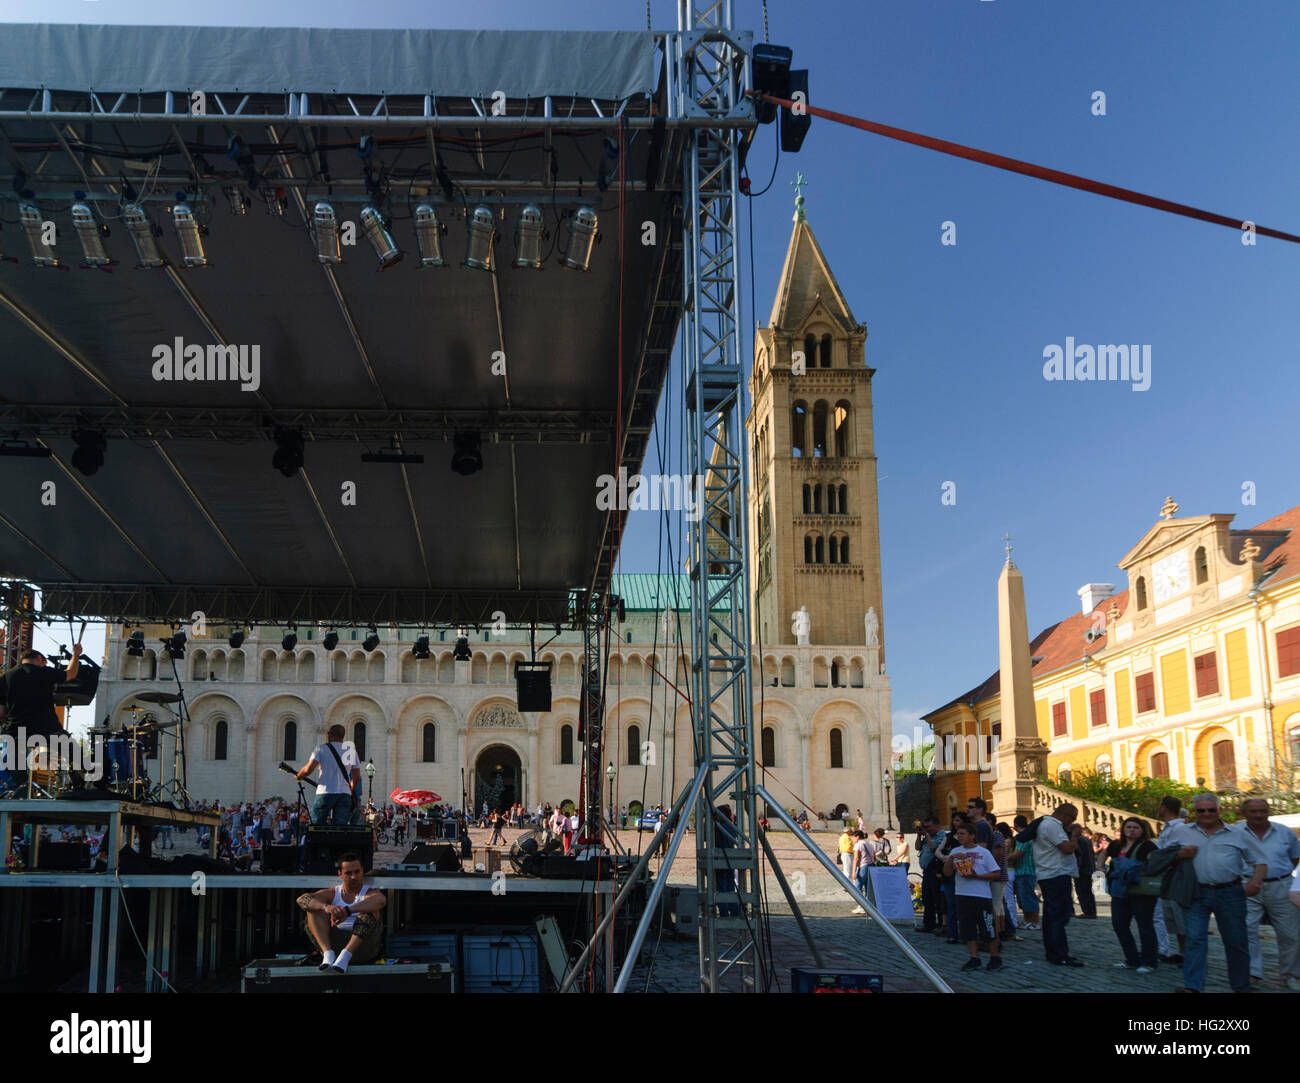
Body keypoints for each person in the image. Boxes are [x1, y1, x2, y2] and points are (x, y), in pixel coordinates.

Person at [1156, 792, 1267, 993]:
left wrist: (1255, 882)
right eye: (1201, 810)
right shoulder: (1181, 832)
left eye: (1211, 810)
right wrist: (1180, 854)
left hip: (1230, 892)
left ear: (1219, 810)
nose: (1206, 814)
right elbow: (1163, 857)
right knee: (1194, 941)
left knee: (1236, 941)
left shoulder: (1237, 833)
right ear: (1195, 812)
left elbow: (1259, 861)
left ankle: (1241, 986)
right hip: (1195, 893)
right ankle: (1193, 987)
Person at [1235, 798, 1300, 990]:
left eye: (1263, 811)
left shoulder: (1284, 832)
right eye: (1253, 812)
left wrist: (1278, 873)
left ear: (1268, 811)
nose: (1258, 815)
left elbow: (1295, 857)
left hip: (1280, 885)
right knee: (1246, 931)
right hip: (1246, 885)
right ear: (1244, 813)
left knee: (1291, 934)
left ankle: (1291, 974)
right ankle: (1252, 972)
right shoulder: (1234, 833)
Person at [0, 645, 83, 790]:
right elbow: (70, 674)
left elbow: (1, 713)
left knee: (14, 759)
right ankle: (84, 783)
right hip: (47, 728)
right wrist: (76, 655)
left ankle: (22, 790)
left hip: (16, 731)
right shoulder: (44, 672)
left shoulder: (5, 677)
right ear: (39, 659)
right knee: (74, 753)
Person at [296, 853, 387, 973]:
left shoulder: (369, 892)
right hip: (335, 945)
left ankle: (345, 956)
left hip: (363, 947)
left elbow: (381, 900)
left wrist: (347, 911)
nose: (354, 877)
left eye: (357, 872)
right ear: (340, 874)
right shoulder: (333, 892)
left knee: (369, 912)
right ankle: (328, 955)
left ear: (362, 871)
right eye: (349, 873)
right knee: (313, 910)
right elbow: (301, 900)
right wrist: (326, 907)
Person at [943, 822, 1003, 972]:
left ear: (972, 836)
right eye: (958, 834)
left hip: (981, 895)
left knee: (988, 927)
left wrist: (978, 876)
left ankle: (994, 957)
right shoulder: (955, 851)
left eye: (963, 833)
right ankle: (974, 957)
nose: (960, 836)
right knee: (967, 928)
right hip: (962, 895)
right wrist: (951, 859)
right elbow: (947, 873)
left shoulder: (983, 852)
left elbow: (996, 873)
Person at [1033, 803, 1084, 966]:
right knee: (1058, 916)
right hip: (1055, 874)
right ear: (1065, 815)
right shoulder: (1052, 825)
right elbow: (1067, 848)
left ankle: (1055, 952)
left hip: (1050, 874)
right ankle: (1059, 954)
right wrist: (1075, 835)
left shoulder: (1045, 824)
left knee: (1052, 916)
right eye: (1072, 819)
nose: (1072, 822)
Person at [1105, 817, 1159, 973]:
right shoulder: (1116, 845)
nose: (1131, 830)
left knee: (1144, 925)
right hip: (1119, 890)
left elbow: (1154, 863)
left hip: (1140, 890)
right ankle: (1132, 959)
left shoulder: (1147, 845)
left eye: (1135, 827)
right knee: (1119, 924)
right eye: (1128, 826)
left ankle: (1149, 961)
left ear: (1142, 830)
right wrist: (1100, 868)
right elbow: (1105, 855)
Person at [295, 724, 360, 826]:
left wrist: (299, 774)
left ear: (330, 734)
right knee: (340, 827)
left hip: (325, 792)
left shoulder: (321, 749)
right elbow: (356, 777)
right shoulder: (351, 752)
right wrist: (352, 790)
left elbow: (308, 770)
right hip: (344, 794)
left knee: (316, 825)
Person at [1154, 795, 1186, 965]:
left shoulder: (1179, 827)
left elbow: (1173, 851)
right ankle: (1181, 951)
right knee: (1172, 919)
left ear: (1164, 807)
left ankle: (1186, 952)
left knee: (1181, 917)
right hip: (1167, 877)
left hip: (1176, 876)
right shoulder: (1167, 827)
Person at [1006, 814, 1040, 929]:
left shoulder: (1023, 837)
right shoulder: (1030, 835)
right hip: (1027, 870)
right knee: (1024, 898)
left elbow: (1017, 854)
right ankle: (1028, 921)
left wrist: (1002, 860)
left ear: (1015, 825)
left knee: (1027, 897)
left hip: (1025, 871)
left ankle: (1034, 922)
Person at [917, 817, 947, 933]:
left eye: (929, 827)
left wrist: (927, 835)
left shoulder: (942, 836)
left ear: (937, 826)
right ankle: (928, 924)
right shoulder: (926, 836)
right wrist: (919, 836)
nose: (927, 829)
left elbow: (934, 848)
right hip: (926, 871)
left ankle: (940, 924)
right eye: (926, 827)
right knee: (927, 898)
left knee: (937, 899)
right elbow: (917, 847)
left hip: (935, 871)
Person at [1074, 827, 1098, 918]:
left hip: (1083, 869)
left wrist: (1078, 866)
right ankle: (1090, 911)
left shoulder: (1078, 840)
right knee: (1087, 891)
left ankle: (1088, 912)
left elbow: (1080, 855)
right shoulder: (1085, 839)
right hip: (1088, 868)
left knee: (1082, 891)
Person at [849, 830, 872, 914]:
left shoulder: (858, 845)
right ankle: (868, 906)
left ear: (857, 836)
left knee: (857, 888)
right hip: (870, 866)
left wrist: (853, 871)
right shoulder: (869, 844)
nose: (853, 838)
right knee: (867, 888)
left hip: (863, 867)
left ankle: (861, 906)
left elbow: (856, 858)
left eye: (854, 837)